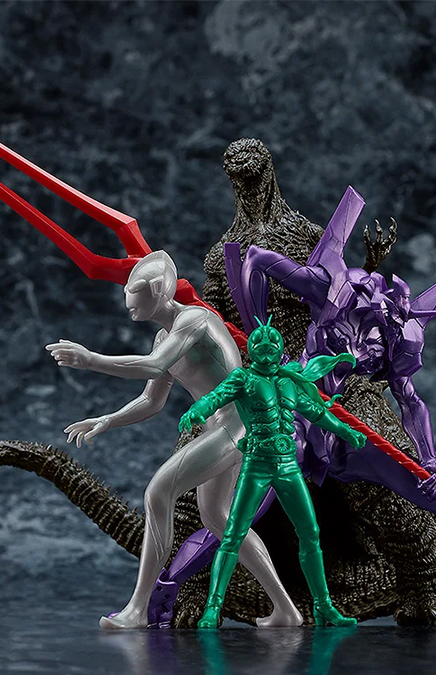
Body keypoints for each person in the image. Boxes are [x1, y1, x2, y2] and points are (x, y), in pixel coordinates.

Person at [46, 251, 302, 628]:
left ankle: (137, 609)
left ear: (157, 291)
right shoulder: (165, 336)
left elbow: (152, 366)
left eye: (136, 293)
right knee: (217, 517)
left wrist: (91, 360)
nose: (128, 302)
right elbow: (152, 400)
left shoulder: (193, 320)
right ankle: (286, 610)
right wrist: (107, 420)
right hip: (220, 428)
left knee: (158, 492)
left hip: (237, 424)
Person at [179, 319, 366, 628]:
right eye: (259, 343)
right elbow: (216, 396)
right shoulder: (243, 378)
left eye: (272, 343)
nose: (266, 347)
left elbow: (317, 412)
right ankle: (212, 608)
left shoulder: (289, 381)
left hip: (288, 465)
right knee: (233, 534)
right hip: (257, 464)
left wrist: (346, 430)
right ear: (251, 349)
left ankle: (323, 607)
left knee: (310, 533)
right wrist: (198, 410)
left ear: (280, 349)